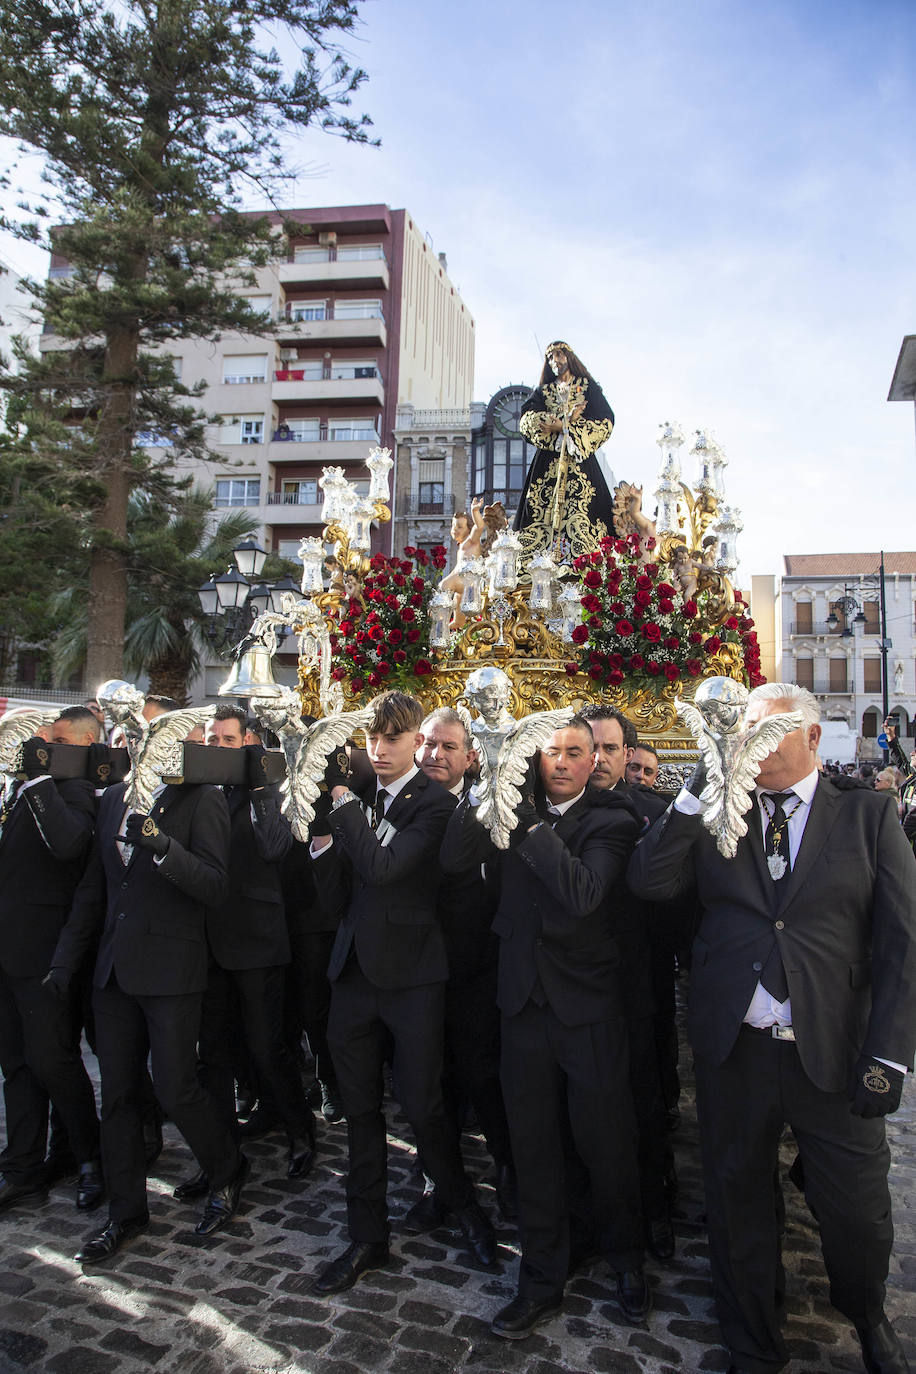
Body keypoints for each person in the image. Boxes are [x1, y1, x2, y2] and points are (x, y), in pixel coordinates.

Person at [627, 681, 916, 1374]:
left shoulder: (868, 816)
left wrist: (888, 1056)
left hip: (833, 1051)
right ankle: (752, 1340)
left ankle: (866, 1312)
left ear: (812, 738)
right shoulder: (717, 809)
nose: (750, 744)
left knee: (857, 1212)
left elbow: (902, 943)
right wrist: (703, 778)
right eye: (742, 732)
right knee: (738, 1200)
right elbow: (648, 881)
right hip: (738, 1049)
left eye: (767, 731)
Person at [441, 717, 649, 1339]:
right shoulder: (510, 807)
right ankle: (539, 1276)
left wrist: (529, 825)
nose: (560, 762)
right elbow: (454, 859)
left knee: (604, 1143)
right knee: (532, 1149)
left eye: (573, 752)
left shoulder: (611, 820)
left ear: (594, 762)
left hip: (587, 1009)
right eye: (550, 752)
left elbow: (582, 893)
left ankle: (626, 1260)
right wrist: (487, 793)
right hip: (523, 1005)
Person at [308, 691, 495, 1295]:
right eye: (372, 740)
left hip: (414, 977)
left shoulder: (435, 804)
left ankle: (463, 1206)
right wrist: (322, 849)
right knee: (360, 1111)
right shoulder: (358, 801)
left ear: (416, 741)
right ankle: (367, 1235)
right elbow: (335, 900)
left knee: (423, 1105)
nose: (379, 750)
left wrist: (344, 820)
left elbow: (388, 872)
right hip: (354, 977)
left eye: (392, 739)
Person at [47, 747, 248, 1262]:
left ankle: (227, 1168)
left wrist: (162, 847)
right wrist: (66, 962)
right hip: (113, 974)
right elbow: (95, 891)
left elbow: (216, 885)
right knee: (116, 1095)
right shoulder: (112, 798)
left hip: (172, 970)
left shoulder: (200, 799)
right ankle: (126, 1212)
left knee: (176, 1088)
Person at [172, 706, 315, 1208]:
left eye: (228, 739)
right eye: (211, 738)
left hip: (257, 940)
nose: (217, 746)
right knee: (213, 1053)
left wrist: (258, 786)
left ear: (249, 741)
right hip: (207, 941)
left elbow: (275, 847)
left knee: (266, 1045)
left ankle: (300, 1130)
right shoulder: (195, 789)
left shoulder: (266, 789)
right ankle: (219, 1155)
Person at [404, 709, 516, 1228]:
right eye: (426, 743)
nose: (433, 754)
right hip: (416, 972)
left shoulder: (488, 807)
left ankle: (510, 1170)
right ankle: (440, 1182)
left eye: (448, 746)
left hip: (474, 970)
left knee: (484, 1077)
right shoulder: (399, 803)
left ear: (472, 757)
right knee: (431, 1085)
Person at [579, 704, 677, 1261]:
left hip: (635, 981)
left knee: (643, 1100)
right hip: (571, 985)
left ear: (625, 754)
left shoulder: (655, 814)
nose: (598, 757)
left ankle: (654, 1206)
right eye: (589, 744)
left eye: (611, 748)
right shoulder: (550, 810)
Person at [0, 709, 102, 1215]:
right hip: (9, 947)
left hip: (46, 955)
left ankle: (87, 1157)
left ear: (83, 745)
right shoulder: (19, 789)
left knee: (53, 1062)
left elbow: (67, 845)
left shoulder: (75, 791)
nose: (46, 750)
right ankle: (22, 1166)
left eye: (58, 743)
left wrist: (41, 777)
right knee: (16, 1064)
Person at [514, 340, 615, 562]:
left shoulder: (588, 387)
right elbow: (526, 420)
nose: (554, 361)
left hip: (580, 459)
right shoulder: (543, 392)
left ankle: (584, 558)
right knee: (539, 510)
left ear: (568, 357)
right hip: (548, 460)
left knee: (586, 509)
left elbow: (605, 421)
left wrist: (566, 428)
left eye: (558, 355)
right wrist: (557, 421)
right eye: (550, 358)